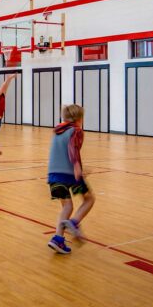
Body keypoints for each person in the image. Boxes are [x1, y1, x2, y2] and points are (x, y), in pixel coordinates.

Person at [46, 104, 95, 255]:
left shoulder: (57, 130)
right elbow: (73, 149)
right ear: (79, 118)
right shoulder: (77, 130)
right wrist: (77, 167)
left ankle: (58, 239)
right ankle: (73, 223)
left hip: (53, 175)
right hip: (71, 175)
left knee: (67, 207)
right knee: (89, 199)